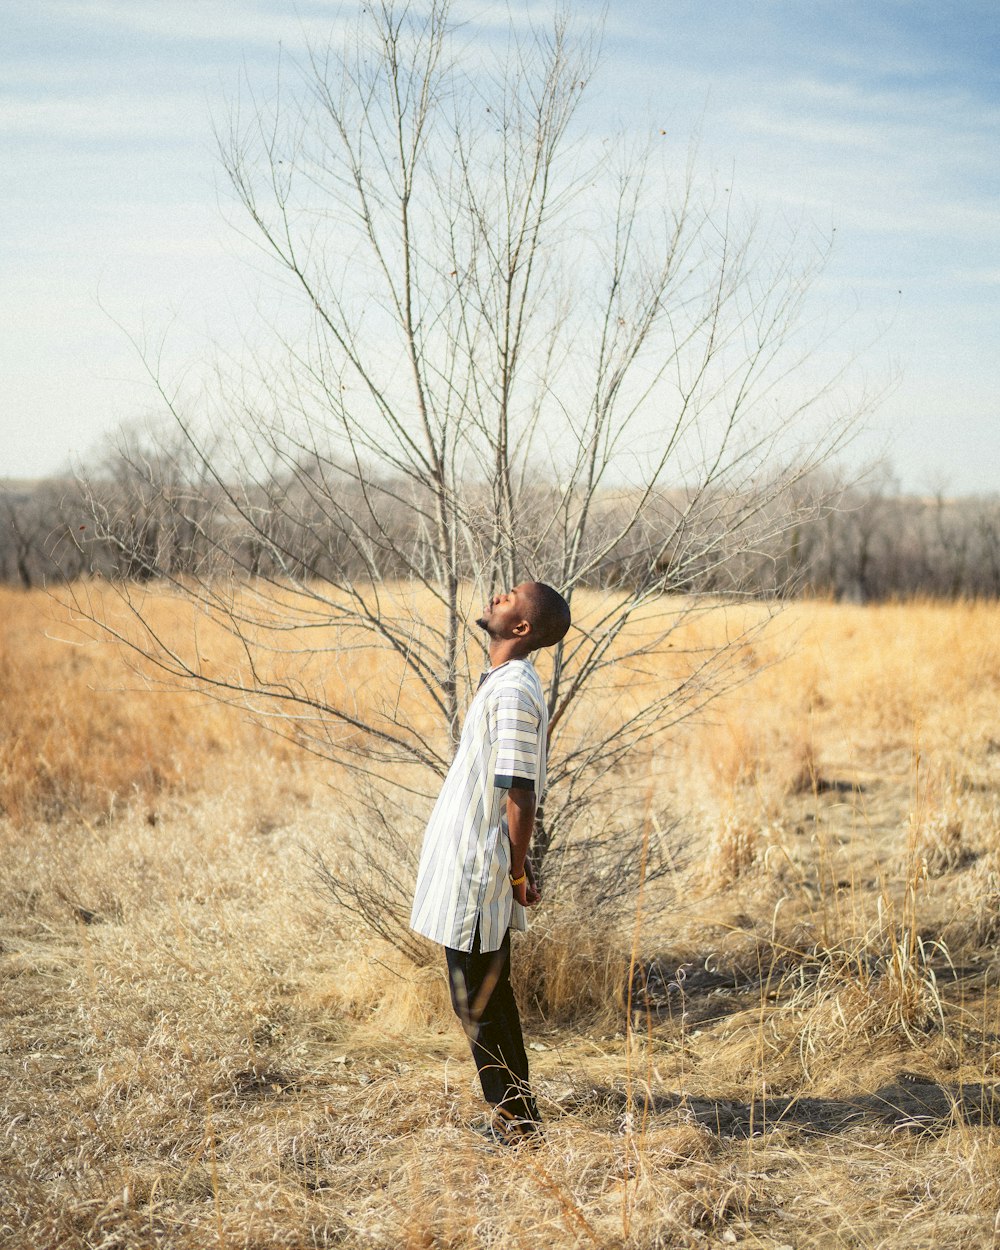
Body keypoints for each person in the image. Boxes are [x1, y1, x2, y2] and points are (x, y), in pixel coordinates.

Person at [410, 581, 571, 1147]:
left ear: (522, 629)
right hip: (472, 864)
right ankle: (517, 1116)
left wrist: (518, 872)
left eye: (510, 598)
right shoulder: (503, 683)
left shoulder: (513, 691)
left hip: (481, 869)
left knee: (476, 998)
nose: (498, 595)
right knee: (483, 995)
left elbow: (520, 793)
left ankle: (516, 1126)